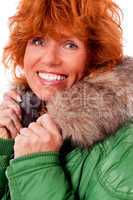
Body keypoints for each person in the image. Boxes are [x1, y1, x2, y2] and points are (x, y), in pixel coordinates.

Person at [0, 0, 133, 199]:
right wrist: (5, 147)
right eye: (38, 40)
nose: (49, 59)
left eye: (70, 44)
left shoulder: (124, 149)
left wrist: (36, 166)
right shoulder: (24, 118)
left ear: (95, 58)